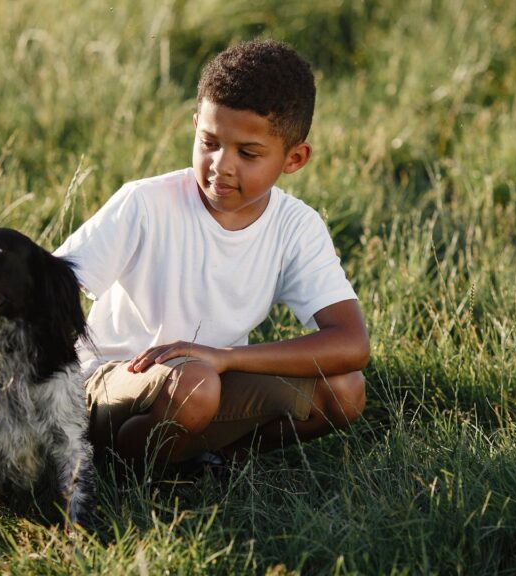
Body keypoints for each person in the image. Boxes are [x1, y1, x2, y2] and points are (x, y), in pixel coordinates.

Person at [54, 39, 369, 469]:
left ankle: (213, 460)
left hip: (206, 382)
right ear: (195, 123)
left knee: (345, 390)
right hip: (106, 384)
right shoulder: (146, 204)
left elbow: (351, 343)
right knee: (196, 383)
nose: (221, 165)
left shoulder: (296, 226)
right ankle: (118, 471)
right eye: (209, 142)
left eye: (247, 153)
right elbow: (51, 290)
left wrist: (228, 357)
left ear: (294, 158)